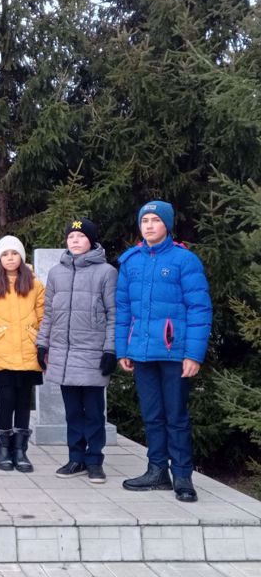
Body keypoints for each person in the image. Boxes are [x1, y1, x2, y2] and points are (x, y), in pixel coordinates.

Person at [117, 201, 212, 503]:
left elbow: (199, 308)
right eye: (144, 220)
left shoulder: (185, 260)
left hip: (175, 354)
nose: (149, 225)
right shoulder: (130, 262)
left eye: (155, 220)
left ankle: (182, 475)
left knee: (177, 416)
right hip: (142, 353)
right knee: (152, 415)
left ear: (167, 225)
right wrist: (124, 348)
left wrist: (194, 355)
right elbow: (123, 310)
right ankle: (157, 471)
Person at [36, 219, 117, 484]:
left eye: (80, 236)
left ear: (91, 241)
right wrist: (42, 343)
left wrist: (110, 349)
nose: (74, 240)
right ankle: (76, 458)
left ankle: (95, 461)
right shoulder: (56, 273)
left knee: (93, 412)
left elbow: (113, 313)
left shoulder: (106, 272)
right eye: (71, 236)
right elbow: (48, 313)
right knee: (72, 411)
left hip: (92, 353)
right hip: (63, 354)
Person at [0, 236, 45, 473]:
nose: (10, 258)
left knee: (24, 402)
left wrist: (43, 348)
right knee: (6, 400)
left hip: (28, 351)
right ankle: (3, 451)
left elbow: (44, 319)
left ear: (21, 257)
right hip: (2, 352)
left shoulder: (35, 285)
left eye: (14, 254)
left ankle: (21, 451)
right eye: (5, 254)